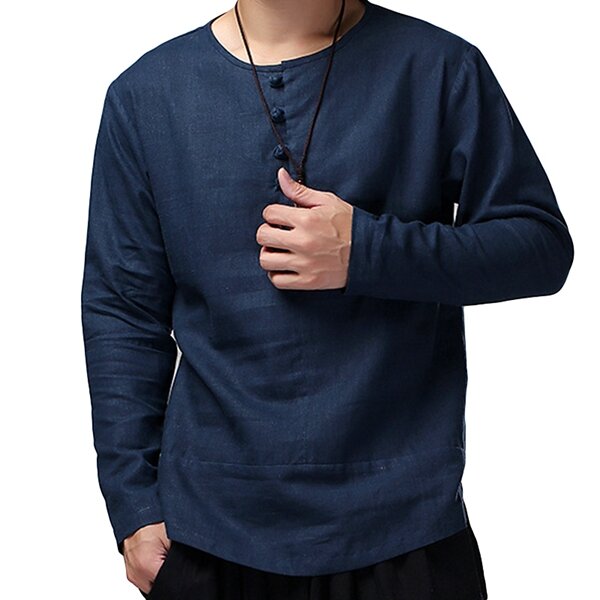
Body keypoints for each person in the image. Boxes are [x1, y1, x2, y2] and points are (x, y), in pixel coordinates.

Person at [80, 0, 574, 598]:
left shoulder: (441, 66)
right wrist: (133, 505)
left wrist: (367, 250)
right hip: (207, 534)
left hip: (405, 528)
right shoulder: (144, 94)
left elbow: (539, 248)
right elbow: (122, 311)